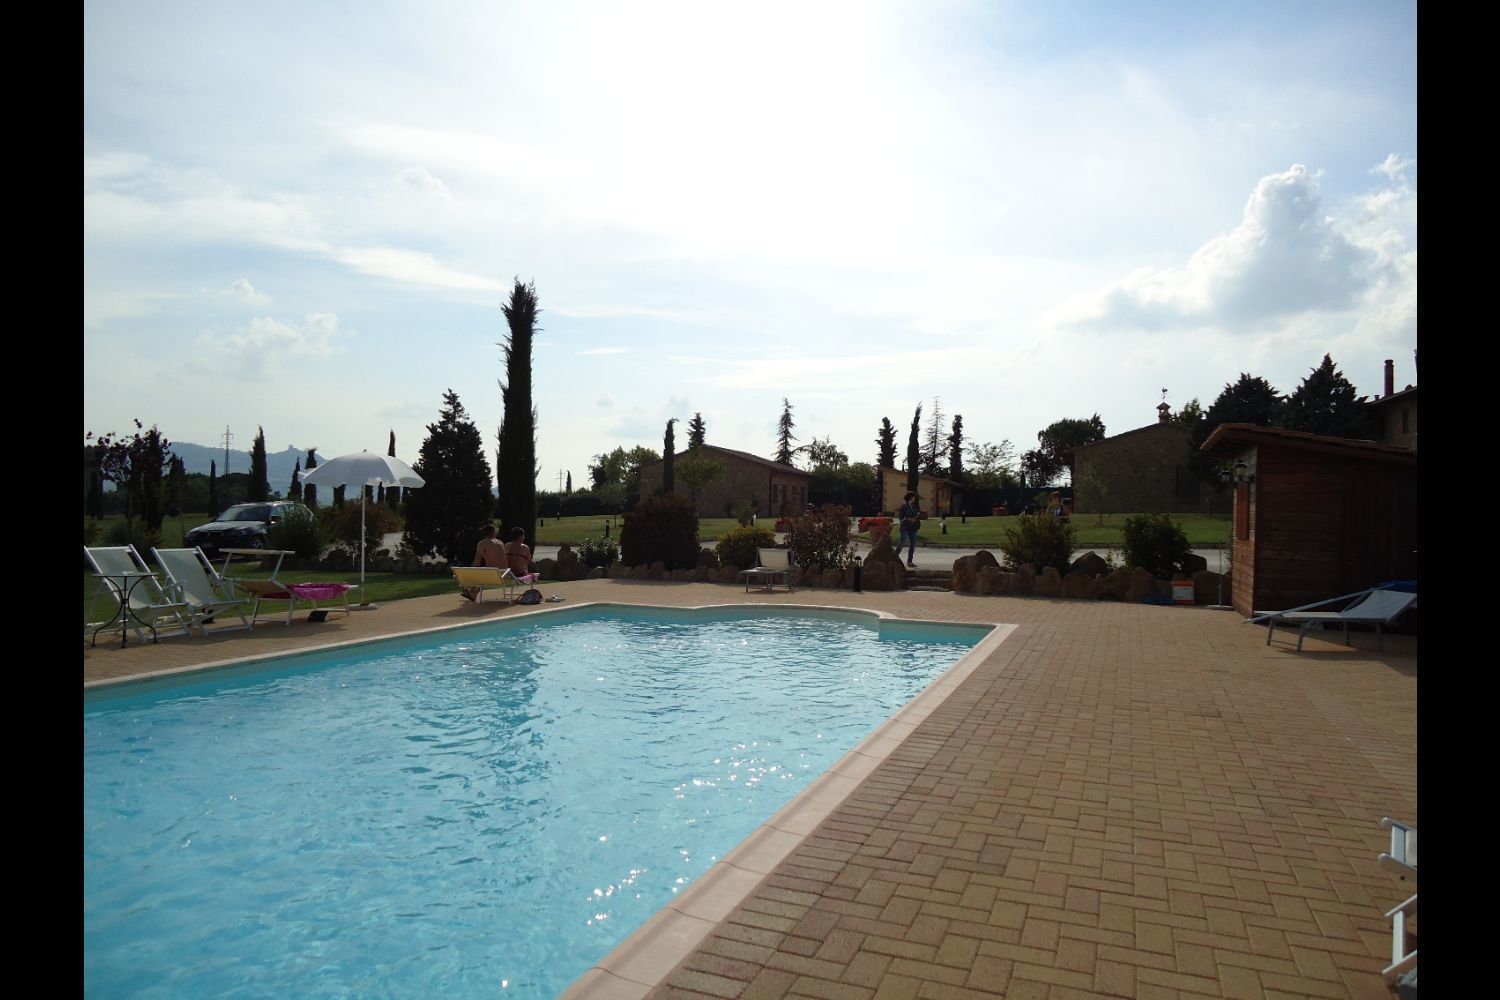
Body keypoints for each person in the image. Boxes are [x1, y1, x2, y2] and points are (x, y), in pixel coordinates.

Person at [462, 523, 507, 601]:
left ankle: (471, 590)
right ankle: (473, 593)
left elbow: (477, 562)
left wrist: (471, 572)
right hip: (504, 573)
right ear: (494, 532)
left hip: (492, 574)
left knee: (479, 571)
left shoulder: (482, 543)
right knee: (485, 572)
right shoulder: (500, 543)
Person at [897, 490, 922, 568]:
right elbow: (900, 517)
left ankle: (910, 561)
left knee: (913, 544)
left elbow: (917, 514)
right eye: (913, 497)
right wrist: (908, 519)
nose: (914, 498)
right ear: (910, 497)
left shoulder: (914, 507)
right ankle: (894, 556)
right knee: (902, 542)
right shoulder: (904, 506)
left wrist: (916, 518)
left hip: (913, 528)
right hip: (905, 527)